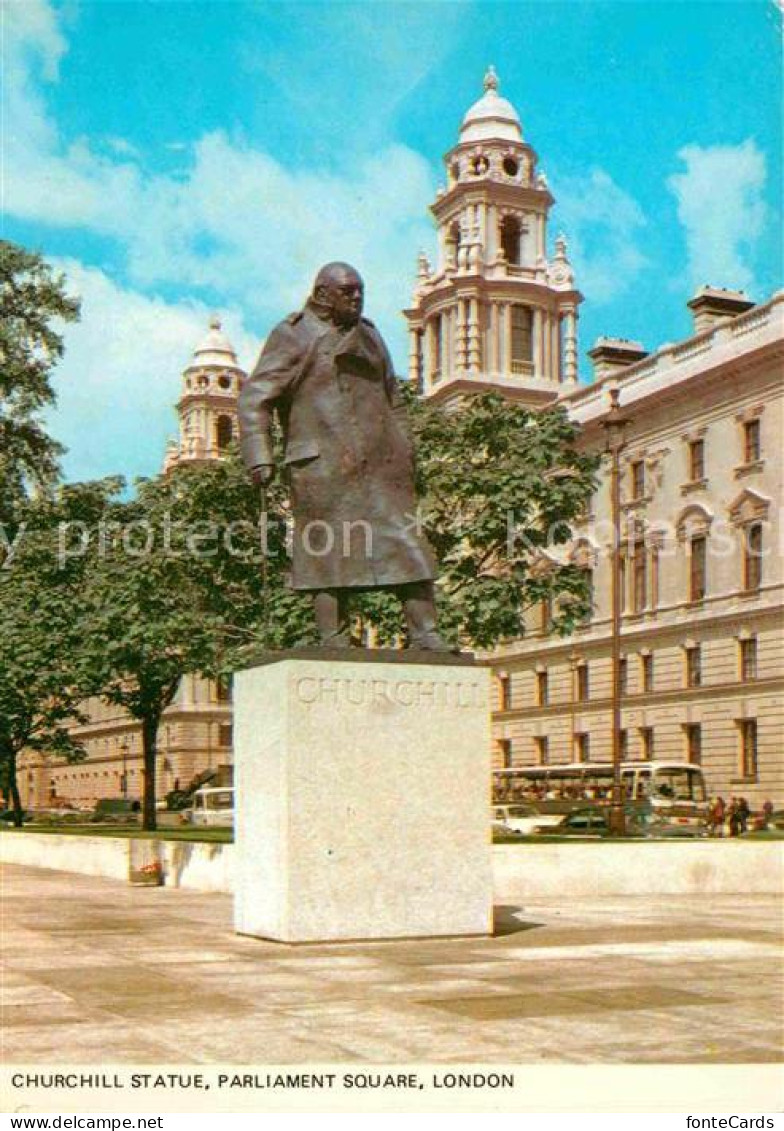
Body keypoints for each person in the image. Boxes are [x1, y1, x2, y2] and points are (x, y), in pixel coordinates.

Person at [238, 262, 451, 650]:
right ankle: (332, 636)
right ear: (322, 294)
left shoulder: (369, 334)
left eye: (360, 291)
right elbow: (255, 398)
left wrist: (406, 448)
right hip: (322, 464)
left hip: (381, 463)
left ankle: (425, 633)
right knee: (328, 551)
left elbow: (393, 397)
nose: (356, 297)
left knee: (406, 545)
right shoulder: (293, 334)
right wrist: (259, 456)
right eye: (347, 291)